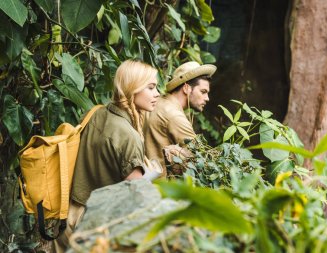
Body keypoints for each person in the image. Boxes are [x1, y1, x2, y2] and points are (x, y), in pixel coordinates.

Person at [53, 59, 161, 252]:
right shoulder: (129, 136)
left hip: (67, 217)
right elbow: (135, 197)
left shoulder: (96, 113)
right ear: (132, 88)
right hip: (93, 228)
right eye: (151, 87)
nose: (157, 94)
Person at [144, 61, 216, 175]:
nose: (207, 98)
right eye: (203, 92)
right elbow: (202, 160)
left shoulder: (157, 102)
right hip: (161, 188)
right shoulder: (174, 115)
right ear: (186, 88)